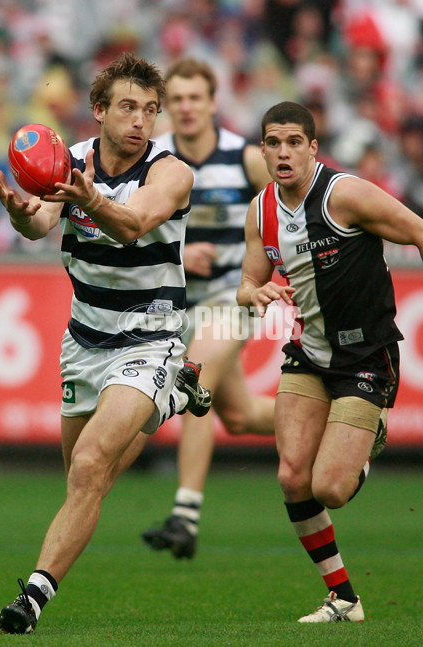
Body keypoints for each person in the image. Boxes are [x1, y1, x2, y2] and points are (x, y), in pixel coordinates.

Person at [236, 101, 423, 623]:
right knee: (292, 478)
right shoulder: (261, 209)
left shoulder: (344, 195)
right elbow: (246, 282)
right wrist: (256, 292)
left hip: (365, 356)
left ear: (313, 148)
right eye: (273, 142)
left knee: (329, 487)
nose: (283, 152)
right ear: (263, 150)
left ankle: (367, 441)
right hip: (309, 353)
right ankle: (344, 599)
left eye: (293, 142)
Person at [0, 53, 212, 634]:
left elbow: (133, 223)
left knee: (91, 465)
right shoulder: (72, 163)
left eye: (149, 110)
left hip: (151, 335)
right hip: (84, 342)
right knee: (85, 479)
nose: (141, 120)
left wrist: (87, 200)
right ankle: (173, 394)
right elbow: (42, 222)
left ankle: (32, 599)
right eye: (128, 108)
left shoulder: (171, 172)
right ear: (98, 111)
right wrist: (21, 216)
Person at [140, 58, 274, 560]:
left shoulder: (245, 157)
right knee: (238, 416)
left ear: (213, 102)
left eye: (196, 97)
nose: (187, 107)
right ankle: (343, 422)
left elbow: (286, 215)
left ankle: (185, 515)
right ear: (166, 107)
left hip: (231, 298)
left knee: (193, 382)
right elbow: (134, 230)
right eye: (177, 100)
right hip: (176, 305)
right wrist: (179, 252)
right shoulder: (156, 160)